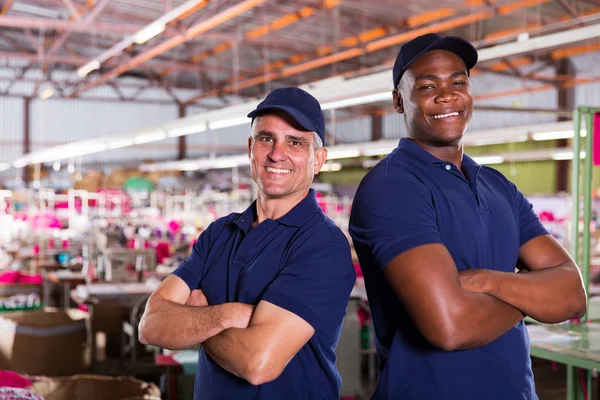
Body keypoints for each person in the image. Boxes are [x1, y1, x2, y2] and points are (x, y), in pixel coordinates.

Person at [348, 33, 587, 399]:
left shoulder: (497, 185)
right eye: (427, 86)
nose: (447, 95)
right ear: (399, 101)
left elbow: (573, 295)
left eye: (458, 81)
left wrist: (489, 282)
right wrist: (531, 295)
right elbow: (450, 326)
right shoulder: (391, 187)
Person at [139, 87, 356, 400]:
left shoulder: (322, 245)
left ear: (318, 159)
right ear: (251, 147)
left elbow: (258, 364)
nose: (277, 154)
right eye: (267, 138)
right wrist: (226, 315)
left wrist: (199, 319)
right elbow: (151, 325)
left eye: (295, 142)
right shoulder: (219, 233)